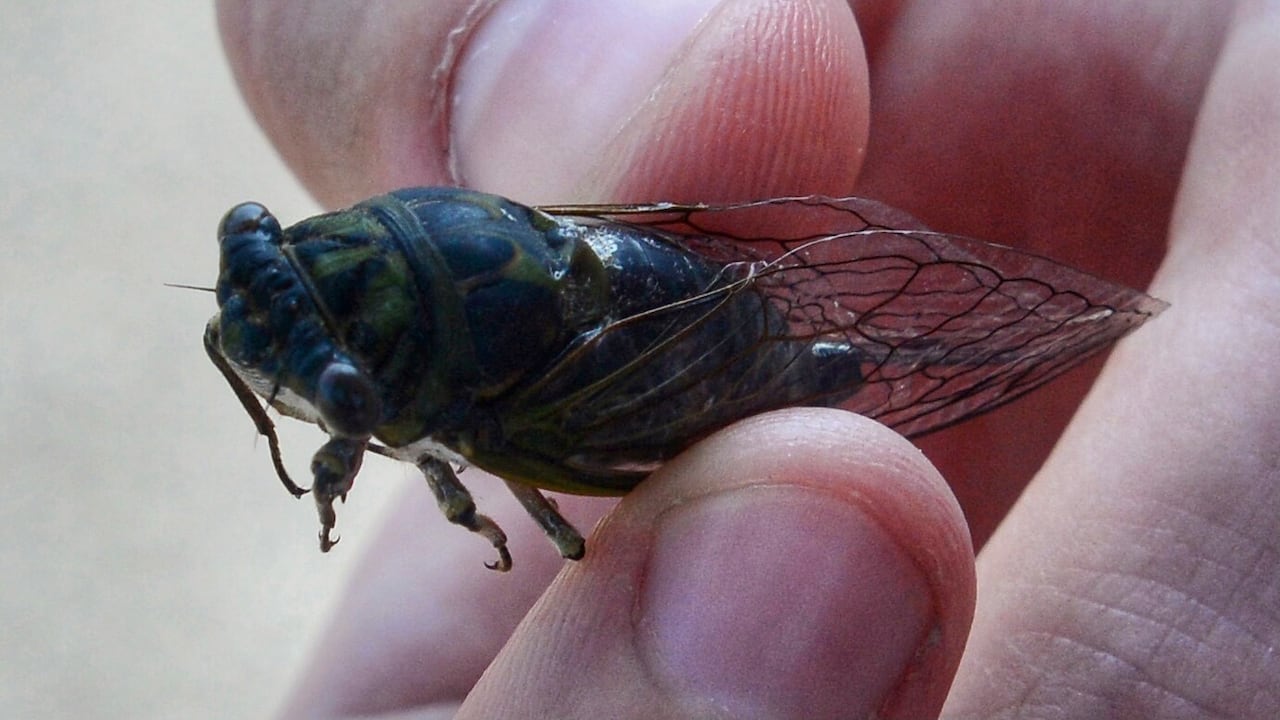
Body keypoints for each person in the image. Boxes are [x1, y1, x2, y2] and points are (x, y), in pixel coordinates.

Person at [218, 1, 1280, 717]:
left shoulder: (426, 395)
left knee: (503, 448)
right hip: (645, 293)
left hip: (651, 374)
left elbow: (461, 451)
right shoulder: (356, 281)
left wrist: (517, 512)